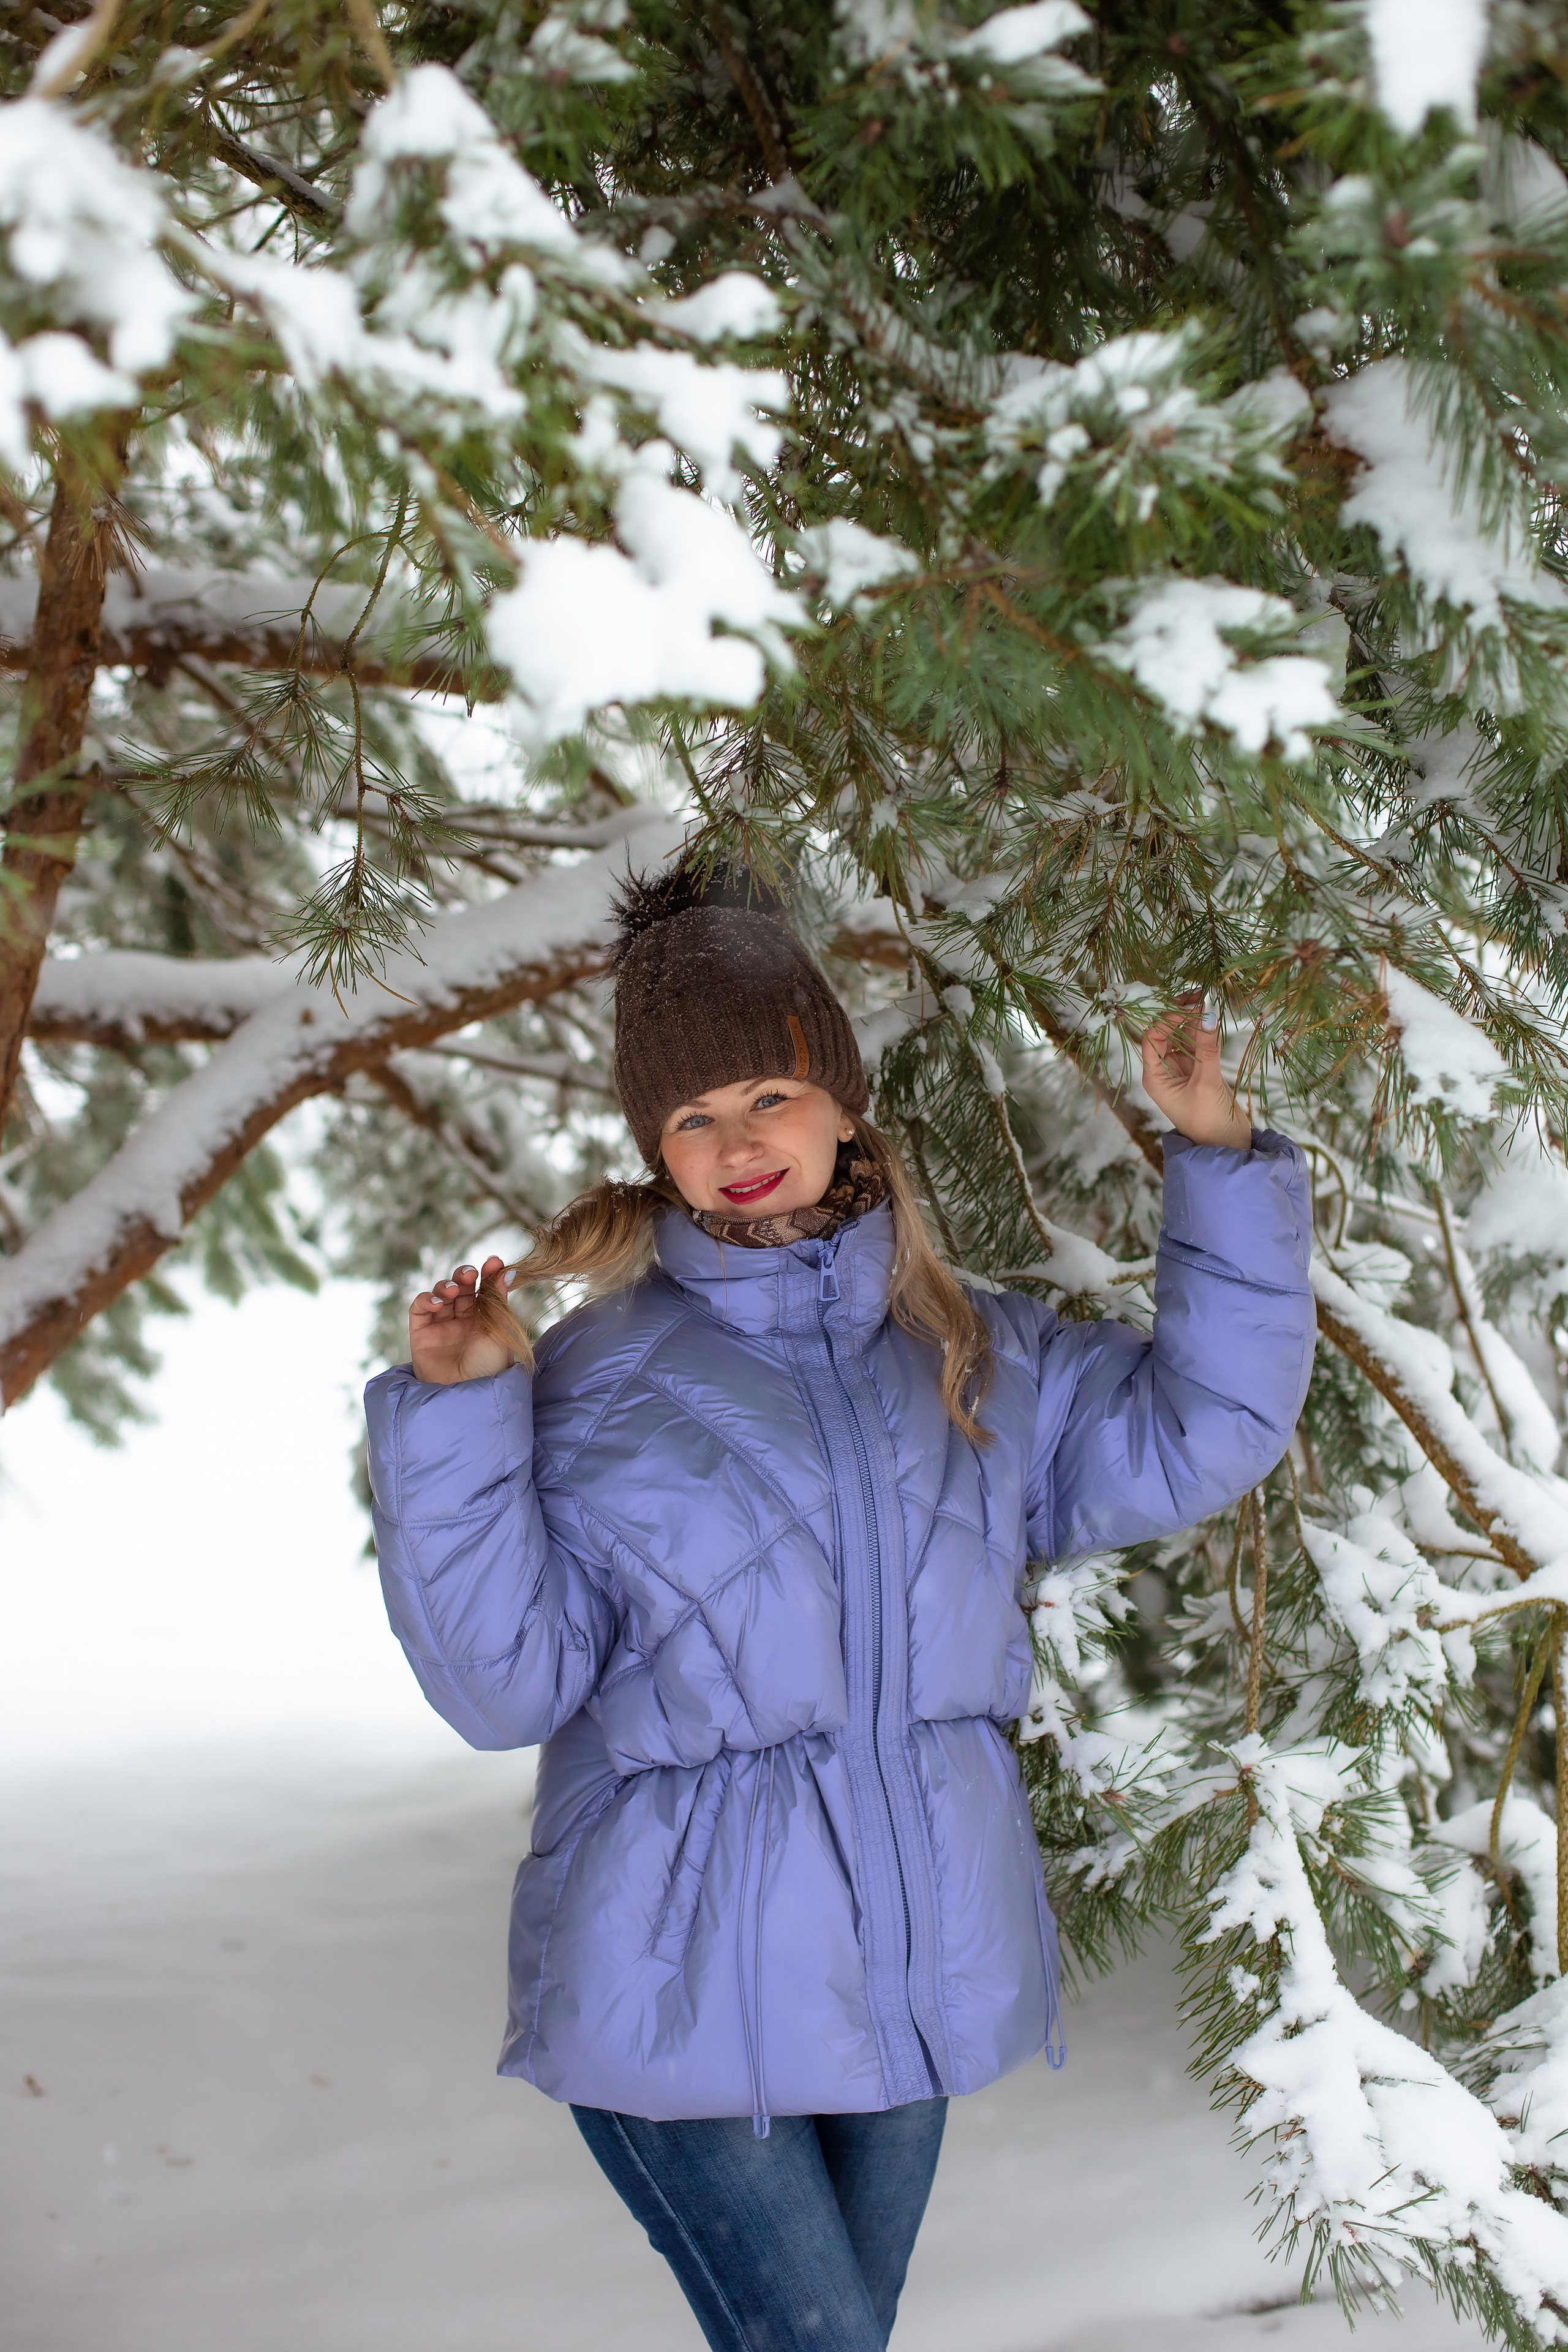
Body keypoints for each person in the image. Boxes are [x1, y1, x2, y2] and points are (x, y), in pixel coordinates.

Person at [364, 862, 1314, 2352]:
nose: (735, 1144)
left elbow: (1205, 1426)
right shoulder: (598, 1379)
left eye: (767, 1096)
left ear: (842, 1098)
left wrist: (1219, 1160)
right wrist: (462, 1416)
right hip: (673, 1989)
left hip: (914, 1959)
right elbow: (503, 1690)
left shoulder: (966, 1349)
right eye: (689, 1117)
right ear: (649, 1148)